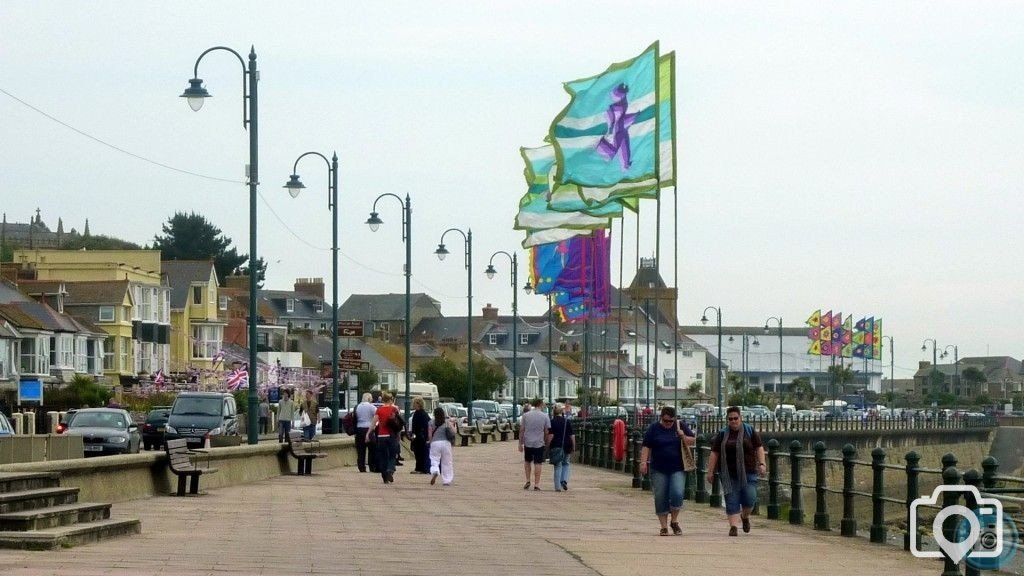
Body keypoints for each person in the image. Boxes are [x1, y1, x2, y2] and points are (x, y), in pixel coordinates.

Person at [707, 406, 766, 536]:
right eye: (730, 419)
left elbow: (759, 448)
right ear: (727, 420)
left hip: (748, 471)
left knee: (750, 498)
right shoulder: (723, 434)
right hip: (728, 473)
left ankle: (745, 517)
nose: (733, 421)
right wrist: (710, 471)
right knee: (731, 499)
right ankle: (733, 527)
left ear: (741, 418)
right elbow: (715, 453)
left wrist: (762, 464)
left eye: (736, 418)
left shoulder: (749, 431)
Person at [640, 406, 695, 536]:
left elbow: (692, 440)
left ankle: (674, 521)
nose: (668, 424)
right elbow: (646, 446)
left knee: (677, 492)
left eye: (670, 421)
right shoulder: (654, 429)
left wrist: (682, 436)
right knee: (660, 496)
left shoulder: (679, 426)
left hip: (678, 467)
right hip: (658, 468)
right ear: (661, 418)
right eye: (665, 421)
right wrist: (643, 462)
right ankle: (663, 526)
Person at [367, 392, 402, 484]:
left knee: (383, 457)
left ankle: (385, 477)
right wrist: (399, 435)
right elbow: (398, 423)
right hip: (391, 435)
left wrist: (368, 434)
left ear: (383, 399)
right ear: (391, 399)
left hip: (381, 436)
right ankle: (390, 470)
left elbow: (373, 423)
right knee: (392, 455)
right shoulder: (394, 409)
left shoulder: (379, 410)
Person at [518, 398, 550, 491]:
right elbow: (546, 431)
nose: (544, 406)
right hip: (539, 442)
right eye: (543, 404)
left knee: (527, 461)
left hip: (528, 441)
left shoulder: (526, 415)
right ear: (540, 404)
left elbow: (522, 430)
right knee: (538, 463)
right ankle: (537, 484)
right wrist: (546, 440)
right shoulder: (545, 416)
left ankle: (528, 480)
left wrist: (520, 443)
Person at [547, 403, 575, 492]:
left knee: (558, 465)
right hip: (567, 445)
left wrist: (547, 445)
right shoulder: (567, 421)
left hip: (556, 445)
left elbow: (551, 435)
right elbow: (572, 435)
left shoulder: (552, 422)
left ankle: (557, 486)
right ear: (561, 412)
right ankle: (564, 480)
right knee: (566, 463)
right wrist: (574, 446)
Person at [428, 406, 455, 486]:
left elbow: (429, 435)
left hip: (435, 442)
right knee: (447, 462)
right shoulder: (447, 422)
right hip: (446, 443)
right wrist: (453, 424)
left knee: (434, 459)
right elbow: (454, 432)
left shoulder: (431, 422)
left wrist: (430, 442)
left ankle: (435, 471)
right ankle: (447, 480)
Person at [354, 392, 377, 473]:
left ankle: (361, 467)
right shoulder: (371, 407)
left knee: (360, 450)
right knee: (372, 449)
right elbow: (377, 416)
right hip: (369, 429)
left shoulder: (357, 407)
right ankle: (372, 466)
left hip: (359, 428)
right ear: (369, 398)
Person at [410, 397, 431, 474]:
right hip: (417, 436)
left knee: (422, 452)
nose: (413, 405)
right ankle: (418, 467)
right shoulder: (416, 413)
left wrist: (426, 437)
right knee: (417, 452)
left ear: (418, 404)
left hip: (421, 436)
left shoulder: (423, 414)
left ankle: (423, 468)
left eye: (414, 403)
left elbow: (426, 426)